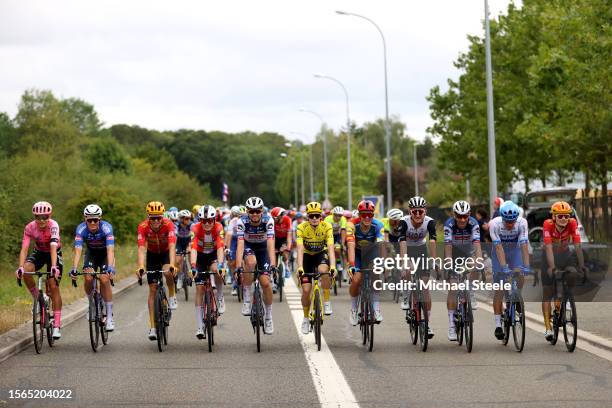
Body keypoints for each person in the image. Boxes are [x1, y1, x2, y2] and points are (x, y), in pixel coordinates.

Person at [16, 201, 64, 339]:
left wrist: (54, 267)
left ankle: (57, 325)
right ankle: (38, 297)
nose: (41, 220)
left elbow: (54, 247)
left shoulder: (53, 225)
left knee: (53, 285)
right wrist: (20, 267)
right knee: (26, 270)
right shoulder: (30, 227)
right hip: (39, 253)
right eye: (38, 217)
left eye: (45, 217)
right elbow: (24, 248)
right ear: (34, 217)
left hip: (54, 253)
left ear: (49, 215)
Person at [541, 201, 587, 341]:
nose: (564, 219)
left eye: (566, 216)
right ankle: (548, 328)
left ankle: (567, 298)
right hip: (548, 256)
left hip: (565, 255)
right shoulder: (547, 224)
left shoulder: (573, 223)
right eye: (560, 216)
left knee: (572, 273)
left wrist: (582, 265)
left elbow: (577, 245)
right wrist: (552, 267)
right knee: (548, 292)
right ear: (554, 217)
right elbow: (548, 248)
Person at [70, 204, 116, 331]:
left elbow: (110, 250)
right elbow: (78, 250)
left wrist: (110, 267)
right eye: (89, 220)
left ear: (99, 219)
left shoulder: (106, 228)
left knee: (104, 279)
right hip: (91, 255)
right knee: (88, 277)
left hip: (105, 255)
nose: (92, 222)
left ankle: (110, 316)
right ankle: (91, 304)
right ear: (85, 219)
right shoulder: (81, 229)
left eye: (95, 220)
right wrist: (74, 268)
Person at [235, 197, 277, 334]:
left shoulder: (268, 220)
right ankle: (247, 297)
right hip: (249, 246)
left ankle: (269, 317)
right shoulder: (242, 221)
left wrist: (273, 264)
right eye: (251, 211)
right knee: (251, 263)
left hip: (263, 248)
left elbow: (271, 243)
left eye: (257, 211)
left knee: (266, 283)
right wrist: (238, 266)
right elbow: (240, 245)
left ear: (262, 211)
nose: (254, 214)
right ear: (247, 211)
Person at [397, 196, 438, 338]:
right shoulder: (403, 222)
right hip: (406, 249)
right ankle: (406, 294)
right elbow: (402, 243)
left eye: (421, 211)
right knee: (407, 271)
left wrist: (433, 260)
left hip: (421, 249)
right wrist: (404, 262)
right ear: (410, 212)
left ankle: (427, 324)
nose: (418, 215)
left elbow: (432, 242)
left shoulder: (430, 222)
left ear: (425, 211)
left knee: (425, 288)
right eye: (415, 212)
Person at [136, 201, 177, 341]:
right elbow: (141, 249)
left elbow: (172, 246)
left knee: (167, 272)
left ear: (163, 216)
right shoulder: (142, 227)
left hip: (166, 253)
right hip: (152, 255)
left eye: (158, 217)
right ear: (148, 217)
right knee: (152, 289)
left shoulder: (168, 224)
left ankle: (172, 294)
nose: (156, 221)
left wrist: (172, 264)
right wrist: (141, 266)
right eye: (152, 218)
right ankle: (153, 327)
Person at [489, 201, 529, 340]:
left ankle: (517, 297)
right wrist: (504, 267)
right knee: (499, 289)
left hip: (514, 251)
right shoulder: (494, 224)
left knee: (521, 274)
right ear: (502, 218)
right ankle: (498, 325)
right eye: (507, 221)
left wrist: (526, 265)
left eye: (512, 221)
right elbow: (498, 247)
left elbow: (524, 244)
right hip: (499, 252)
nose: (510, 224)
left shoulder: (522, 222)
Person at [443, 200, 483, 341]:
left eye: (465, 216)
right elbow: (447, 246)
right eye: (459, 216)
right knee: (453, 289)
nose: (462, 219)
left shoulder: (474, 223)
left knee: (476, 265)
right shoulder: (449, 224)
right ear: (454, 215)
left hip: (467, 252)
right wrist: (448, 262)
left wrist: (479, 260)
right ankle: (451, 326)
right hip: (453, 254)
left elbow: (477, 244)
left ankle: (470, 291)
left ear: (469, 214)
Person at [296, 202, 336, 334]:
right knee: (306, 290)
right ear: (307, 216)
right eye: (311, 216)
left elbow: (330, 248)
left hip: (320, 254)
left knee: (324, 271)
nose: (314, 218)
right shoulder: (301, 227)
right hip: (307, 255)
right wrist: (300, 267)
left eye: (317, 215)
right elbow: (300, 249)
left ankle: (326, 301)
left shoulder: (327, 226)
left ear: (321, 216)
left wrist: (333, 266)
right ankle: (306, 318)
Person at [346, 200, 384, 325]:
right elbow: (350, 245)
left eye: (370, 214)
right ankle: (353, 309)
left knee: (376, 274)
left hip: (371, 254)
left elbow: (381, 245)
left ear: (373, 215)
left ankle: (376, 308)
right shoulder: (351, 225)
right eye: (363, 214)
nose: (367, 217)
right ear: (359, 215)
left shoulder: (378, 225)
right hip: (356, 254)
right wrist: (352, 265)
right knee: (356, 279)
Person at [190, 205, 226, 338]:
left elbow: (220, 247)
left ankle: (220, 296)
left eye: (209, 220)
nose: (206, 223)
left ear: (214, 220)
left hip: (213, 256)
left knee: (217, 270)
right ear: (200, 220)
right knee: (199, 289)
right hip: (199, 257)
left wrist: (221, 265)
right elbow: (193, 248)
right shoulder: (195, 228)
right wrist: (193, 267)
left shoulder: (219, 227)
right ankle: (200, 326)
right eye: (203, 221)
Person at [270, 206, 293, 288]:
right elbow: (270, 237)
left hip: (284, 239)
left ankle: (286, 267)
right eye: (273, 218)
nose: (274, 220)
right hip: (275, 239)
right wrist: (272, 249)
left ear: (280, 216)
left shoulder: (287, 219)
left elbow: (289, 236)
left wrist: (288, 248)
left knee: (285, 254)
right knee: (274, 262)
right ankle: (274, 281)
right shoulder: (272, 222)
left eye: (275, 218)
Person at [324, 206, 348, 279]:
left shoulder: (343, 219)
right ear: (333, 214)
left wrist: (343, 244)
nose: (338, 217)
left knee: (338, 248)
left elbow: (343, 231)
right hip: (328, 235)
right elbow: (326, 233)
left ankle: (338, 264)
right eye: (336, 215)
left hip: (337, 235)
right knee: (327, 251)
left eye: (340, 215)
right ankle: (327, 266)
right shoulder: (327, 219)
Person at [175, 209, 194, 290]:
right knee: (178, 261)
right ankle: (179, 278)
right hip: (178, 242)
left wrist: (190, 246)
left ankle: (192, 272)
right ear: (181, 219)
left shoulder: (191, 225)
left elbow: (193, 237)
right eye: (186, 218)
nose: (188, 220)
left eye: (189, 218)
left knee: (191, 257)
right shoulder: (176, 225)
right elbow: (174, 237)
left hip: (188, 242)